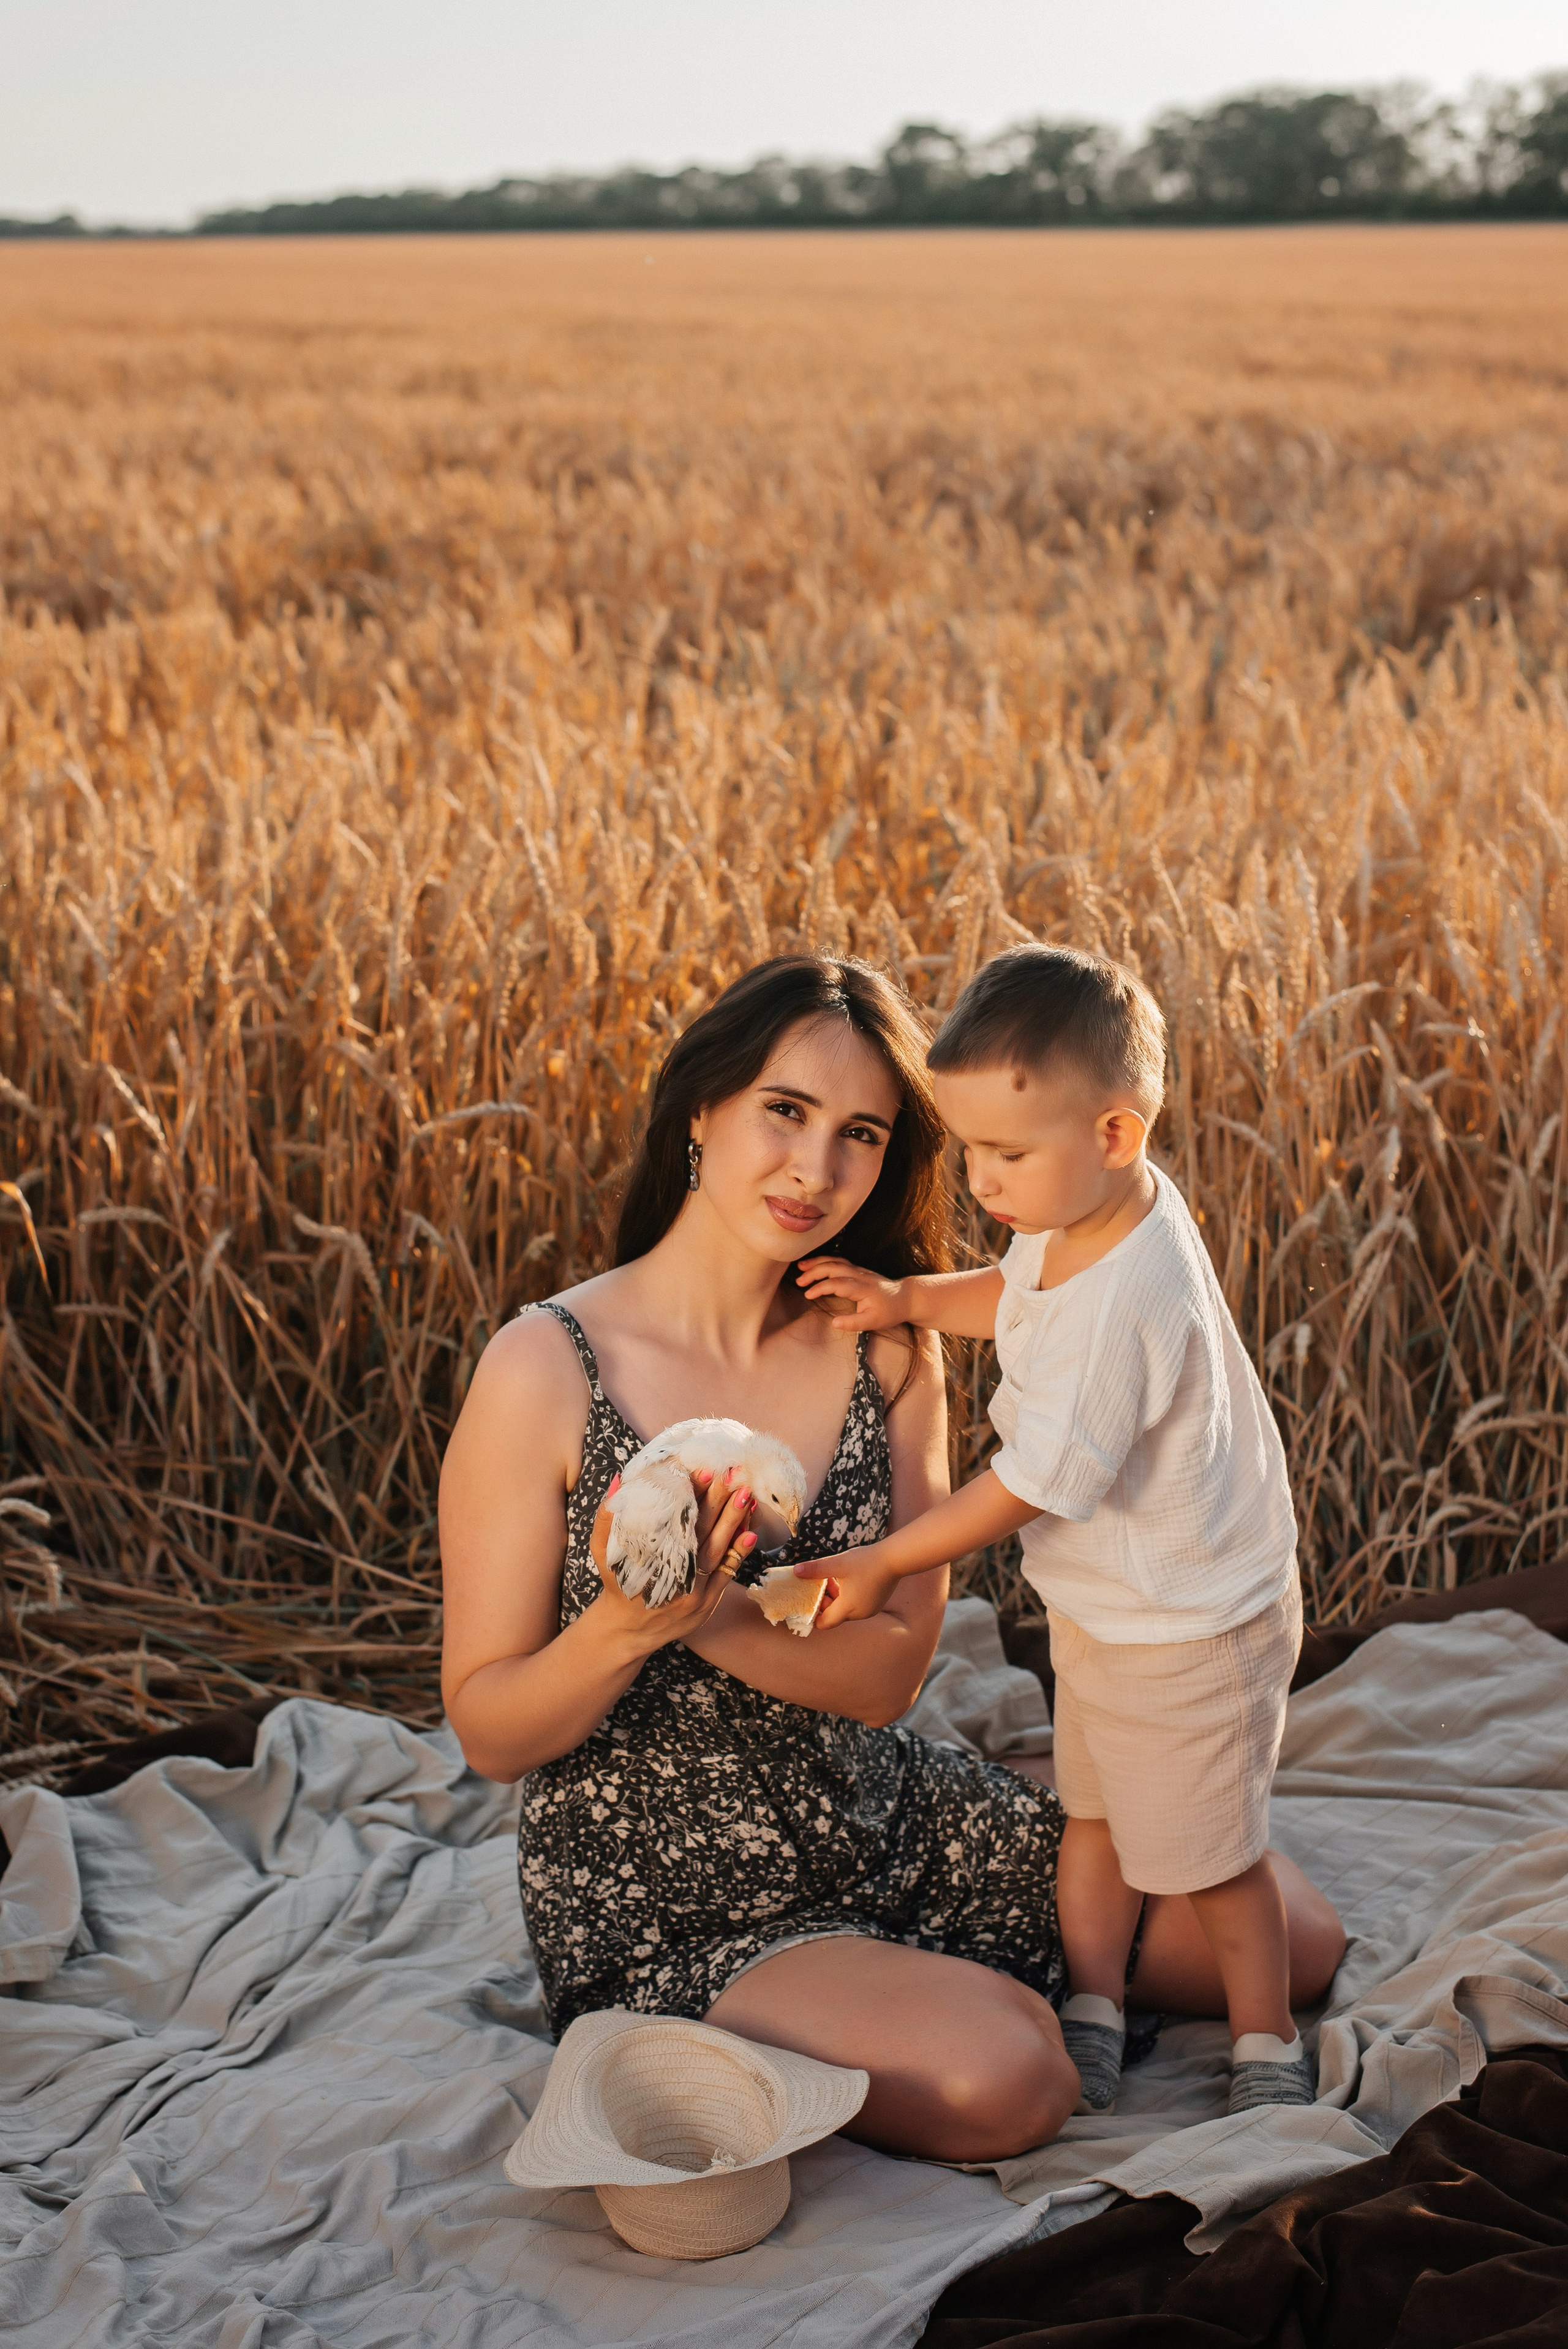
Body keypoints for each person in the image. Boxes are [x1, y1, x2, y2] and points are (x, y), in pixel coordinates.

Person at [440, 952, 1344, 2163]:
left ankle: (987, 1849)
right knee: (1009, 2079)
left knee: (1296, 1940)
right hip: (670, 1886)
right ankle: (821, 1999)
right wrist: (631, 1624)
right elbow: (490, 1732)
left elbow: (887, 1677)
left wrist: (714, 1616)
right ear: (701, 1107)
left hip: (879, 1809)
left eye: (859, 1134)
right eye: (784, 1110)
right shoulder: (546, 1367)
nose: (815, 1170)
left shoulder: (886, 1346)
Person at [794, 943, 1317, 2117]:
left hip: (1191, 1623)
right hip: (1107, 1605)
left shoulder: (1131, 1297)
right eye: (970, 1148)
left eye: (1007, 1154)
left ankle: (1266, 2037)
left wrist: (884, 1561)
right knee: (1093, 1819)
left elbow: (1030, 1483)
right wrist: (911, 1299)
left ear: (1117, 1134)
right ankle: (1095, 2002)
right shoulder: (1081, 1202)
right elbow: (1019, 1291)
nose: (982, 1179)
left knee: (1213, 1863)